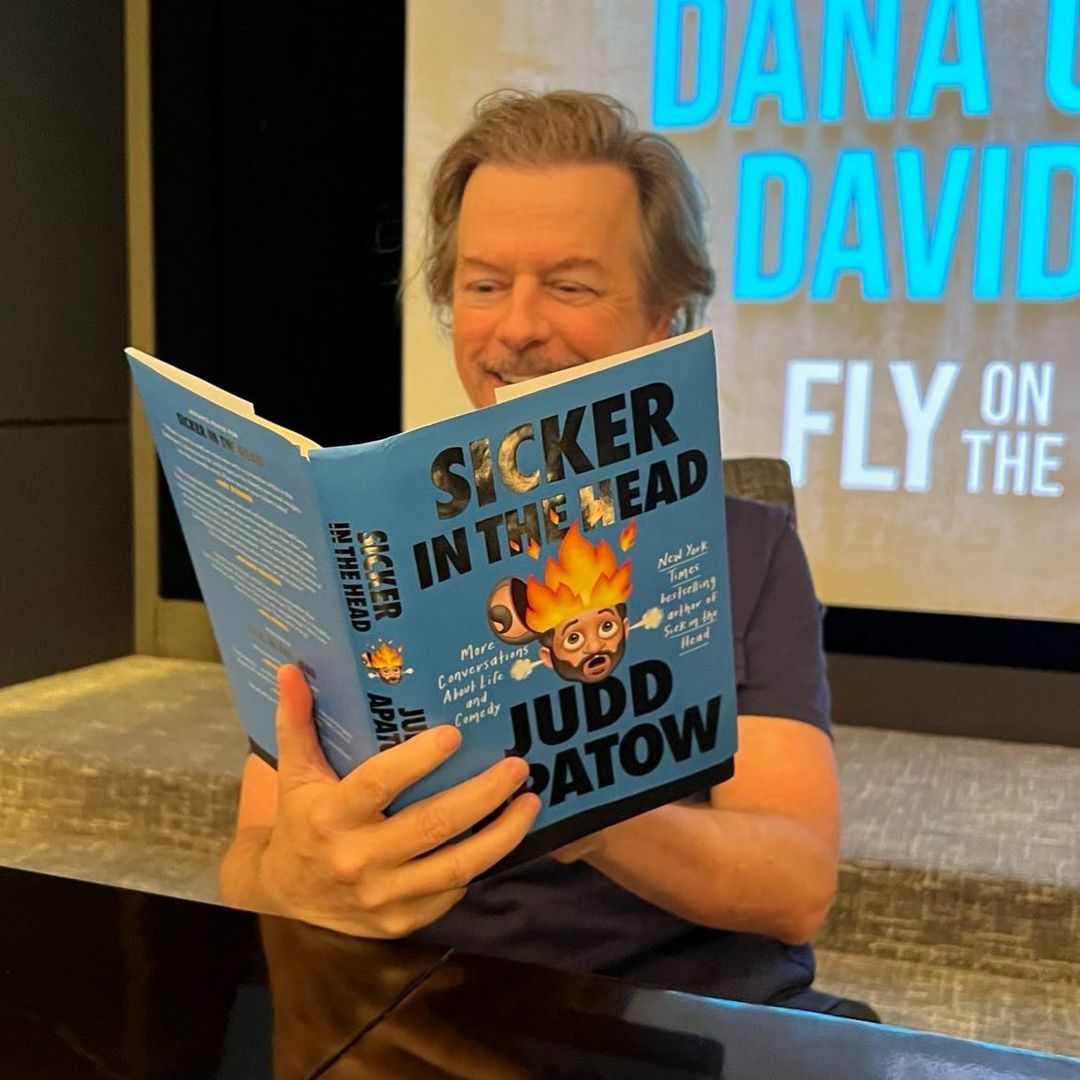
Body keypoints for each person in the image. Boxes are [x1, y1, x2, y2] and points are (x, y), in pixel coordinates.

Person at [220, 90, 845, 1012]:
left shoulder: (746, 548)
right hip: (415, 1007)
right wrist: (292, 882)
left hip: (682, 1016)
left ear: (664, 318)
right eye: (483, 286)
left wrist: (583, 813)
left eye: (570, 286)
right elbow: (249, 863)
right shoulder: (361, 553)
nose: (515, 328)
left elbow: (795, 888)